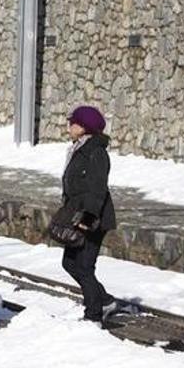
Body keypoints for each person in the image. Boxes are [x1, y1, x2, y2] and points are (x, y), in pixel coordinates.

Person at [60, 105, 118, 325]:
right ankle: (104, 299)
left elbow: (97, 190)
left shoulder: (96, 152)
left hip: (94, 219)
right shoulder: (77, 149)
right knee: (70, 263)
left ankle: (94, 314)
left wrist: (87, 219)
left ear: (84, 127)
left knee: (84, 266)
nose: (69, 126)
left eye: (72, 122)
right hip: (76, 214)